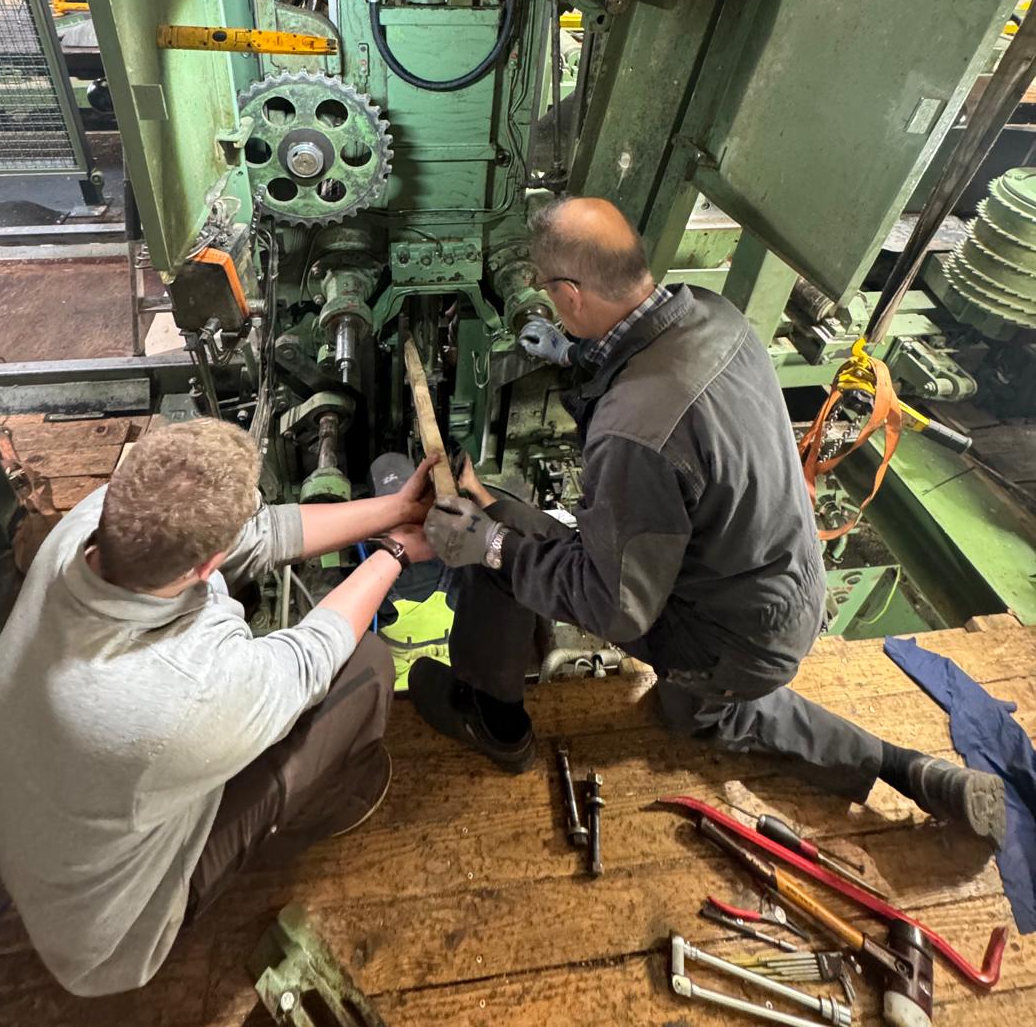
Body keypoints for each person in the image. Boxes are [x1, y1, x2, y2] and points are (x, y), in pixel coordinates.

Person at [410, 196, 1006, 847]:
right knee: (516, 537)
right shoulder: (713, 315)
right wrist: (570, 354)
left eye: (548, 294)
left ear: (571, 293)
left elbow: (616, 609)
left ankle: (493, 724)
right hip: (786, 592)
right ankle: (910, 769)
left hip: (723, 640)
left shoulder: (636, 432)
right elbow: (645, 387)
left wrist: (487, 541)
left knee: (507, 557)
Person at [0, 419, 436, 997]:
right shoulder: (185, 697)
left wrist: (394, 507)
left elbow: (262, 536)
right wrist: (394, 553)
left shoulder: (93, 523)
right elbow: (311, 659)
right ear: (205, 567)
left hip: (56, 829)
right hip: (113, 935)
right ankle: (322, 806)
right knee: (365, 667)